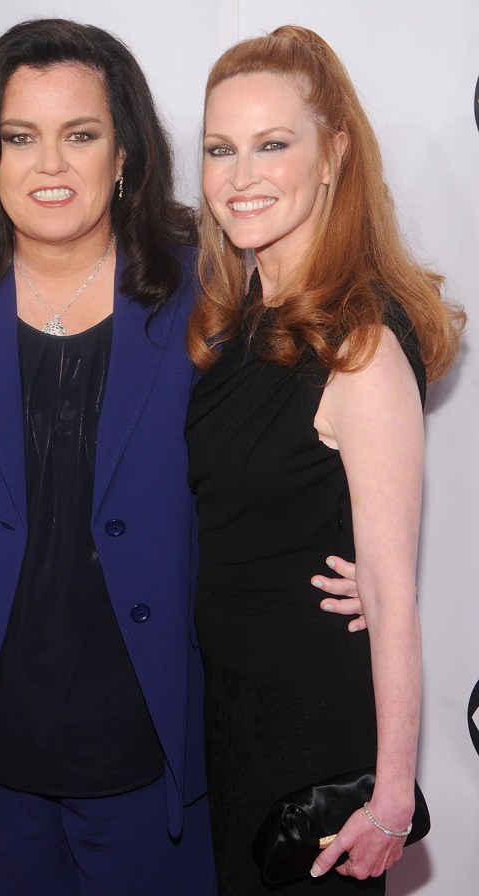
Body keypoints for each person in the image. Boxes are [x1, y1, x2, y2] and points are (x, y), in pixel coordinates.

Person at [0, 18, 362, 896]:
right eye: (21, 137)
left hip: (157, 735)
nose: (50, 166)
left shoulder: (208, 282)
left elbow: (293, 441)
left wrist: (362, 565)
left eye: (81, 135)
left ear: (126, 154)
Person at [185, 25, 464, 896]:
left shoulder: (362, 345)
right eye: (220, 149)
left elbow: (387, 590)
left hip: (307, 738)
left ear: (333, 154)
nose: (242, 175)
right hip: (221, 716)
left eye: (274, 144)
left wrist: (388, 799)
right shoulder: (235, 328)